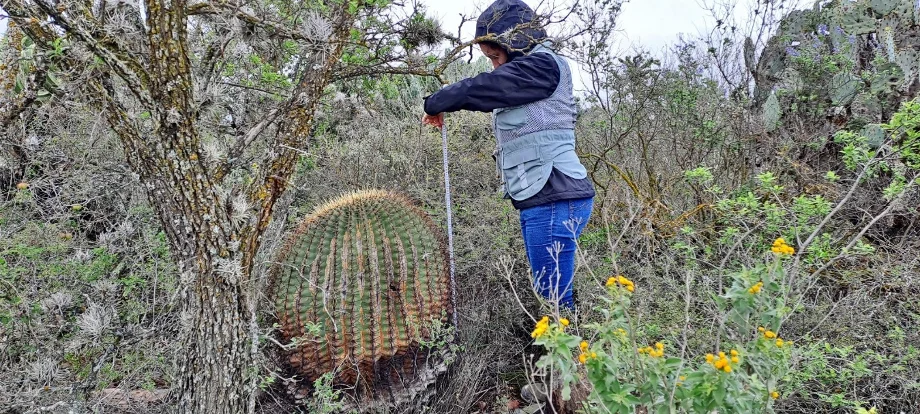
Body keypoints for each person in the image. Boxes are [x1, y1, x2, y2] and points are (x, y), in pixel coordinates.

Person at [422, 0, 595, 310]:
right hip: (545, 196)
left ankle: (568, 353)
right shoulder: (531, 70)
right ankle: (568, 348)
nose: (494, 66)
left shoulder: (541, 67)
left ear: (513, 44)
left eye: (495, 56)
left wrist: (436, 102)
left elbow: (486, 88)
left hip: (554, 195)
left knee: (553, 295)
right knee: (553, 290)